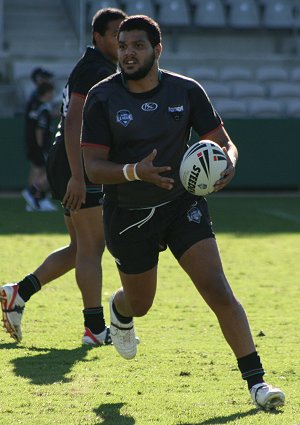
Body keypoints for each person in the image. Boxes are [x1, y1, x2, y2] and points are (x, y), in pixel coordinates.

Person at [81, 15, 285, 411]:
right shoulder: (102, 97)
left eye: (137, 46)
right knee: (141, 302)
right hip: (129, 214)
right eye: (122, 46)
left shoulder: (187, 90)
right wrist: (134, 171)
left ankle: (257, 383)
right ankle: (120, 311)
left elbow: (223, 141)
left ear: (158, 50)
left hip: (182, 204)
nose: (127, 54)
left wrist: (227, 161)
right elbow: (92, 167)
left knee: (216, 287)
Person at [0, 8, 127, 346]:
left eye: (124, 34)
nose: (121, 40)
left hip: (69, 160)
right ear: (98, 37)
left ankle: (18, 293)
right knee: (91, 247)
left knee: (78, 248)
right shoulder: (96, 69)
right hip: (77, 162)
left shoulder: (95, 66)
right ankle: (95, 329)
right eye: (116, 33)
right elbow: (73, 123)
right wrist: (77, 175)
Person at [21, 80, 58, 212]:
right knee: (48, 171)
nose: (53, 94)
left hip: (35, 145)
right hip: (41, 146)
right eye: (51, 92)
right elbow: (40, 129)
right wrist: (41, 146)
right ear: (47, 93)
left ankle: (36, 199)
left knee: (39, 170)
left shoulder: (39, 106)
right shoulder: (43, 108)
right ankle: (32, 192)